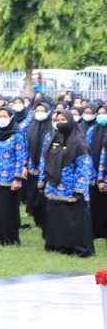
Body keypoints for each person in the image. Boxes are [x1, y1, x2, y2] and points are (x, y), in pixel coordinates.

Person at [38, 111, 95, 257]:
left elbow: (83, 167)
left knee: (73, 220)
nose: (60, 122)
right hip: (54, 187)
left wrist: (79, 188)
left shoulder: (78, 142)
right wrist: (42, 181)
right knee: (56, 218)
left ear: (70, 121)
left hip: (71, 189)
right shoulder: (53, 138)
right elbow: (45, 161)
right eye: (58, 119)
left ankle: (77, 249)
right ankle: (57, 245)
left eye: (64, 119)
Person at [0, 106, 26, 246]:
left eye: (4, 116)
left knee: (8, 210)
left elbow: (20, 159)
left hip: (9, 180)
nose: (1, 119)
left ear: (11, 118)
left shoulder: (17, 136)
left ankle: (11, 239)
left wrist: (17, 178)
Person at [25, 102, 53, 226]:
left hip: (45, 165)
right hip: (32, 164)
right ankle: (33, 213)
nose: (39, 113)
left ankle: (44, 218)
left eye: (42, 110)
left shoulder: (51, 129)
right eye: (38, 110)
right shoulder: (32, 127)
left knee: (42, 192)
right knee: (32, 189)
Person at [87, 104, 107, 239]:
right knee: (95, 206)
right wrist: (92, 175)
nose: (101, 115)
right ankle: (95, 231)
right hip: (92, 176)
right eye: (99, 113)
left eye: (104, 113)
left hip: (105, 176)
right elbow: (86, 152)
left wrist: (103, 179)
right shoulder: (92, 130)